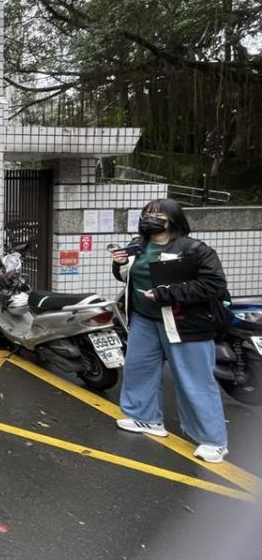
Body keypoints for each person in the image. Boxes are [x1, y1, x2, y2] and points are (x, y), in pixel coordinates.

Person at [110, 198, 230, 463]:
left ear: (173, 219)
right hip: (144, 319)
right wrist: (119, 264)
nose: (150, 218)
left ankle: (213, 440)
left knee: (195, 380)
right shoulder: (138, 246)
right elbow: (127, 276)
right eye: (146, 214)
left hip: (185, 324)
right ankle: (145, 418)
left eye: (157, 214)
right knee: (138, 369)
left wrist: (167, 293)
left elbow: (214, 285)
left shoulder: (195, 249)